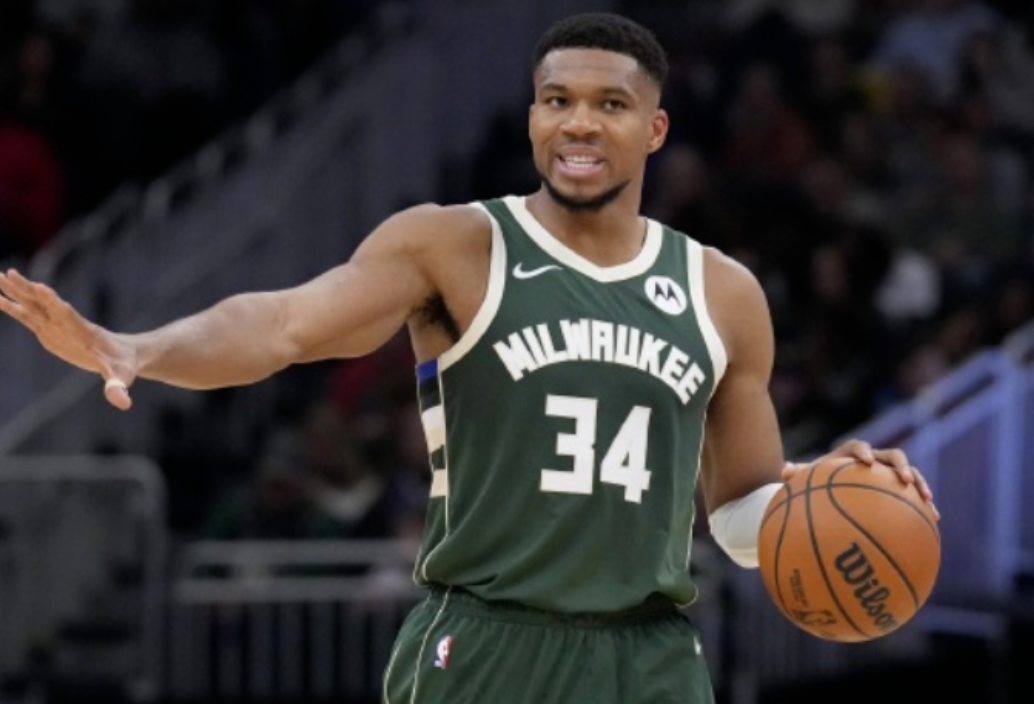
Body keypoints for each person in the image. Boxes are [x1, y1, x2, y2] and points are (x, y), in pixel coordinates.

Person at [0, 12, 937, 704]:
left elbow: (737, 520)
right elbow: (283, 325)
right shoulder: (452, 247)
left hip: (649, 657)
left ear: (655, 129)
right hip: (486, 643)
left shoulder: (723, 293)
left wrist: (823, 490)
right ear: (531, 119)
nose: (579, 123)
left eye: (611, 104)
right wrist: (142, 347)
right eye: (558, 101)